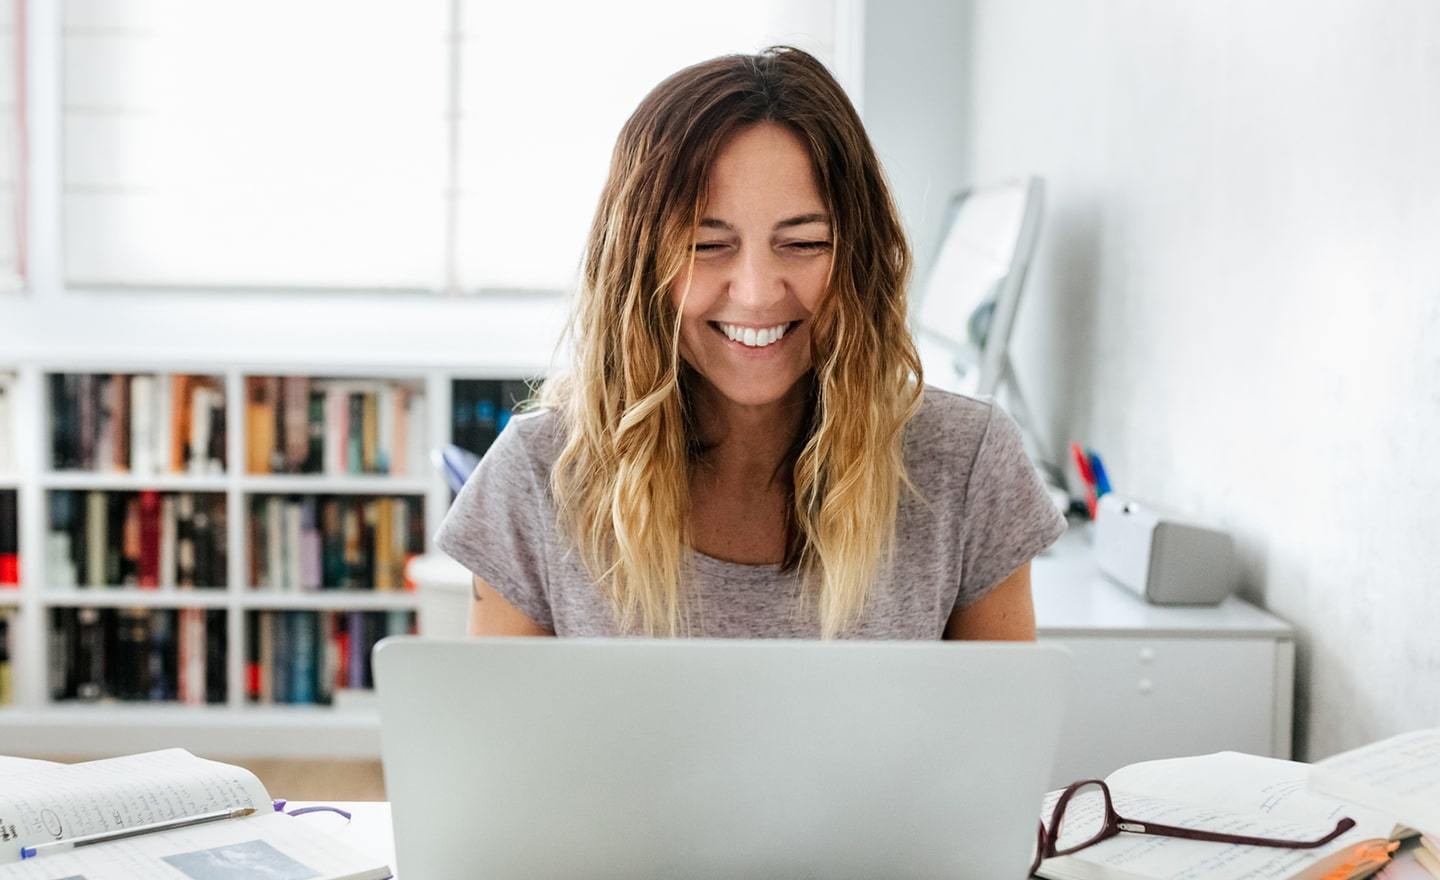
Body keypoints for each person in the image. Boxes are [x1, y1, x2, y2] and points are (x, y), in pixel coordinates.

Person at [435, 46, 1065, 640]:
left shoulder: (967, 463)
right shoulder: (536, 474)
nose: (759, 293)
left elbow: (1002, 720)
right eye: (706, 245)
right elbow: (500, 726)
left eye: (805, 243)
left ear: (859, 258)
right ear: (636, 267)